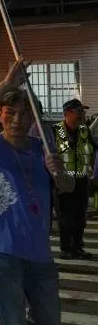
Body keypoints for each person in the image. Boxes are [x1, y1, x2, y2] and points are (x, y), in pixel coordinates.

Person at [0, 61, 71, 325]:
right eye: (10, 113)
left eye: (24, 114)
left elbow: (69, 187)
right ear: (0, 116)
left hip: (39, 251)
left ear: (32, 120)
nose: (16, 120)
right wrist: (7, 84)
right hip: (3, 250)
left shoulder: (44, 149)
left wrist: (59, 172)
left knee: (49, 320)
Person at [52, 98, 95, 259]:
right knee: (65, 218)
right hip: (63, 183)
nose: (83, 115)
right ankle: (66, 248)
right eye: (79, 112)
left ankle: (77, 247)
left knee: (80, 217)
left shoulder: (85, 131)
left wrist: (94, 175)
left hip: (82, 181)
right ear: (67, 114)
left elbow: (92, 153)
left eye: (83, 112)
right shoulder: (56, 131)